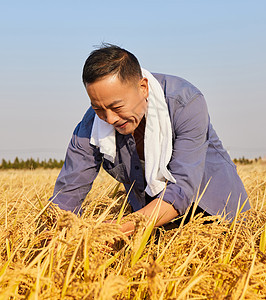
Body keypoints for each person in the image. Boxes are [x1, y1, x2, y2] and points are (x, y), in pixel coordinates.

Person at [49, 44, 250, 236]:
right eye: (99, 108)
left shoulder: (185, 102)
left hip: (219, 217)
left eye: (117, 107)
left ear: (143, 88)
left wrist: (118, 229)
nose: (109, 119)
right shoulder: (92, 125)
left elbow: (181, 190)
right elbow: (67, 197)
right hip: (152, 225)